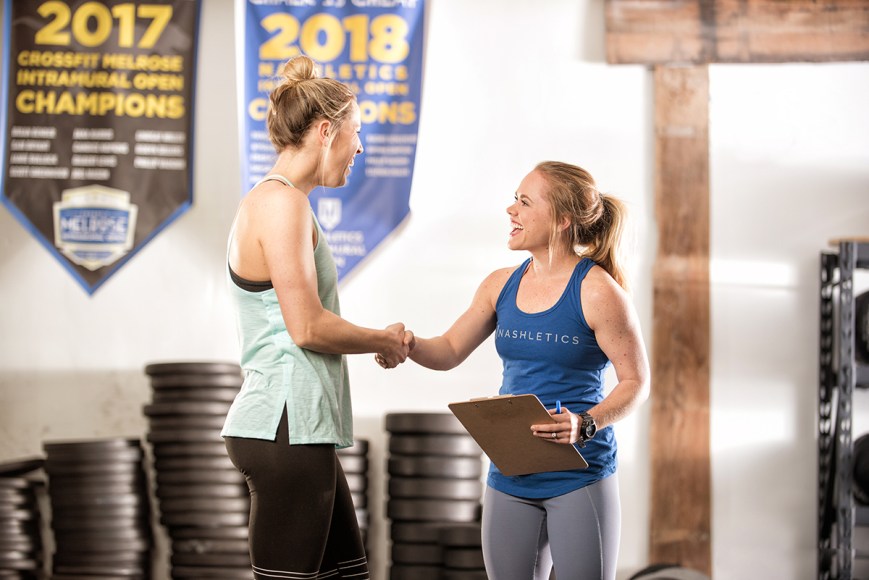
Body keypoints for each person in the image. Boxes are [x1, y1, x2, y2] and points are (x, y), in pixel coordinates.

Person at [396, 161, 650, 580]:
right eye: (515, 198)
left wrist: (586, 423)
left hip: (579, 472)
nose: (510, 210)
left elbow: (636, 382)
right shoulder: (500, 285)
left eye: (524, 201)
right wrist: (408, 344)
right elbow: (448, 350)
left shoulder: (599, 291)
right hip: (511, 472)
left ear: (562, 220)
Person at [221, 54, 411, 580]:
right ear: (326, 131)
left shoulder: (279, 202)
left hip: (301, 429)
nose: (361, 147)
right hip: (285, 425)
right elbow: (306, 326)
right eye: (357, 132)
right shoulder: (282, 204)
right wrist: (382, 339)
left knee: (346, 574)